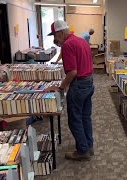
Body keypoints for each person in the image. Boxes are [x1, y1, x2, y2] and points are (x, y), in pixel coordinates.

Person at [45, 20, 94, 161]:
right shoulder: (82, 41)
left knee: (74, 120)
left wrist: (60, 87)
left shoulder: (67, 45)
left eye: (55, 35)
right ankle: (89, 146)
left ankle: (83, 151)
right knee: (85, 117)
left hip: (78, 85)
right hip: (89, 82)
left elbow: (72, 72)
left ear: (60, 32)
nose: (55, 39)